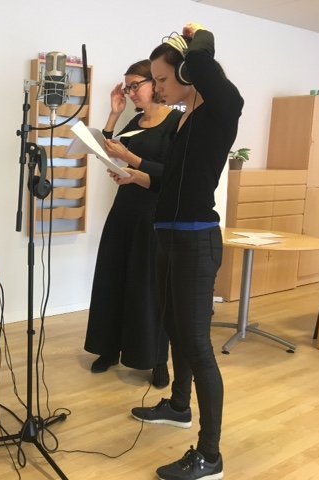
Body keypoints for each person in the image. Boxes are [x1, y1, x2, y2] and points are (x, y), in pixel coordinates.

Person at [112, 24, 243, 480]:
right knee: (174, 327)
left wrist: (198, 37)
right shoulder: (186, 118)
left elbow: (207, 66)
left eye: (163, 79)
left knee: (197, 345)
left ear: (189, 74)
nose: (158, 87)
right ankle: (179, 406)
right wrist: (137, 175)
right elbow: (173, 178)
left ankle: (210, 455)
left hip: (195, 239)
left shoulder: (222, 108)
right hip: (169, 234)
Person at [84, 59, 182, 388]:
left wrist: (132, 162)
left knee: (149, 289)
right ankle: (108, 349)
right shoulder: (134, 121)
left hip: (153, 216)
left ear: (155, 83)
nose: (131, 92)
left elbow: (171, 174)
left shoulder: (176, 122)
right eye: (128, 87)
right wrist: (114, 114)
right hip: (124, 210)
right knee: (113, 279)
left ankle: (156, 359)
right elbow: (109, 151)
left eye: (135, 85)